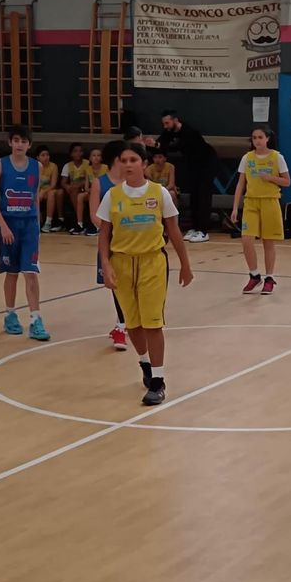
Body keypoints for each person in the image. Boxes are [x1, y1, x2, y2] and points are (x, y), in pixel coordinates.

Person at [97, 142, 194, 405]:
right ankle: (145, 364)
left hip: (152, 262)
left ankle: (158, 382)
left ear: (144, 164)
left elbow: (173, 230)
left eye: (133, 160)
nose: (128, 164)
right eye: (124, 160)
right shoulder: (112, 196)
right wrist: (106, 265)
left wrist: (185, 264)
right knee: (133, 323)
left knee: (153, 322)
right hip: (121, 263)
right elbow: (104, 234)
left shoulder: (159, 193)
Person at [0, 125, 50, 342]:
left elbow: (35, 197)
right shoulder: (0, 165)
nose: (19, 144)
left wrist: (37, 225)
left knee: (31, 272)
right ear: (10, 142)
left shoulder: (37, 166)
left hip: (29, 224)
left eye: (24, 141)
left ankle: (36, 319)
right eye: (16, 140)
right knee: (11, 272)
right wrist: (3, 226)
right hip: (8, 222)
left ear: (29, 144)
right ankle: (10, 314)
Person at [231, 127, 291, 295]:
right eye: (254, 137)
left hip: (270, 201)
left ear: (267, 139)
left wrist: (271, 178)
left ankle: (269, 278)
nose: (257, 140)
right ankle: (254, 275)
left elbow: (287, 182)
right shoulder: (247, 158)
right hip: (251, 202)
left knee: (268, 242)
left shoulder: (277, 157)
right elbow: (240, 184)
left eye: (260, 137)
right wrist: (235, 207)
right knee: (246, 240)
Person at [89, 140, 129, 352]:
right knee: (116, 284)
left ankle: (122, 324)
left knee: (129, 284)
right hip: (110, 241)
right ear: (116, 159)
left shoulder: (132, 183)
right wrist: (111, 231)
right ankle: (121, 326)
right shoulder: (99, 183)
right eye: (125, 158)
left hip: (131, 242)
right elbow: (94, 215)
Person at [158, 110, 218, 243]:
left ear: (175, 120)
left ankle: (203, 230)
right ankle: (195, 227)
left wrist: (160, 145)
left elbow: (177, 146)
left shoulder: (190, 132)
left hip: (207, 163)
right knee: (194, 195)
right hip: (193, 164)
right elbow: (161, 143)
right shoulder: (169, 132)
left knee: (203, 195)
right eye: (164, 124)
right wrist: (154, 144)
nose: (165, 126)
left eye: (167, 123)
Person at [60, 143, 89, 235]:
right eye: (75, 151)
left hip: (85, 188)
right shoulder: (67, 166)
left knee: (75, 189)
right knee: (73, 190)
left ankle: (79, 221)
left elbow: (90, 179)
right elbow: (63, 182)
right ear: (71, 154)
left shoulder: (87, 163)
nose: (78, 153)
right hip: (73, 190)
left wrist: (79, 184)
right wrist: (67, 186)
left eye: (80, 151)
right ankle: (80, 219)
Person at [36, 146, 64, 232]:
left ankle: (48, 222)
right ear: (38, 157)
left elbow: (53, 185)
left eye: (47, 155)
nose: (46, 157)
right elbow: (31, 184)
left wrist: (43, 192)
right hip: (37, 191)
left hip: (48, 191)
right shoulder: (34, 166)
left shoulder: (53, 166)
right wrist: (38, 192)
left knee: (51, 193)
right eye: (43, 155)